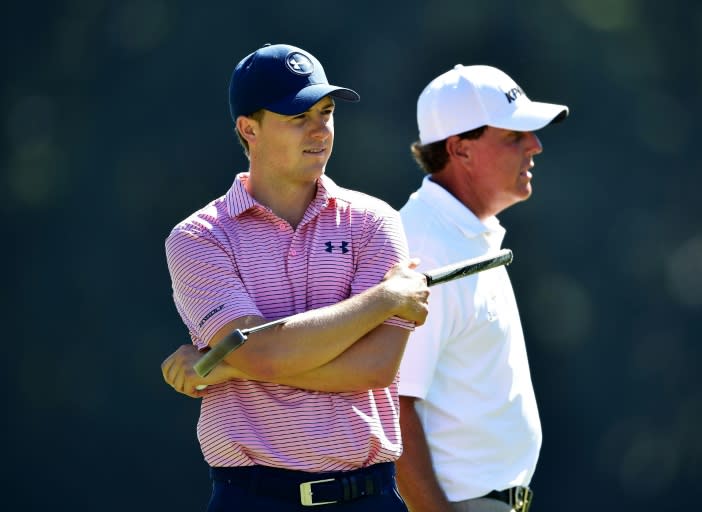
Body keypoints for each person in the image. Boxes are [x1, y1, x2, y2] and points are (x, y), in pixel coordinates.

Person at [160, 43, 430, 512]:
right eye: (296, 116)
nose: (319, 130)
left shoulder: (374, 221)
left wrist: (225, 364)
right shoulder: (199, 238)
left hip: (369, 496)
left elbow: (377, 366)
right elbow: (260, 351)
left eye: (325, 113)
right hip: (253, 498)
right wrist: (383, 300)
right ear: (249, 129)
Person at [394, 64, 569, 512]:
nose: (535, 145)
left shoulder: (462, 233)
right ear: (461, 151)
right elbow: (392, 407)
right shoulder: (427, 248)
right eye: (514, 136)